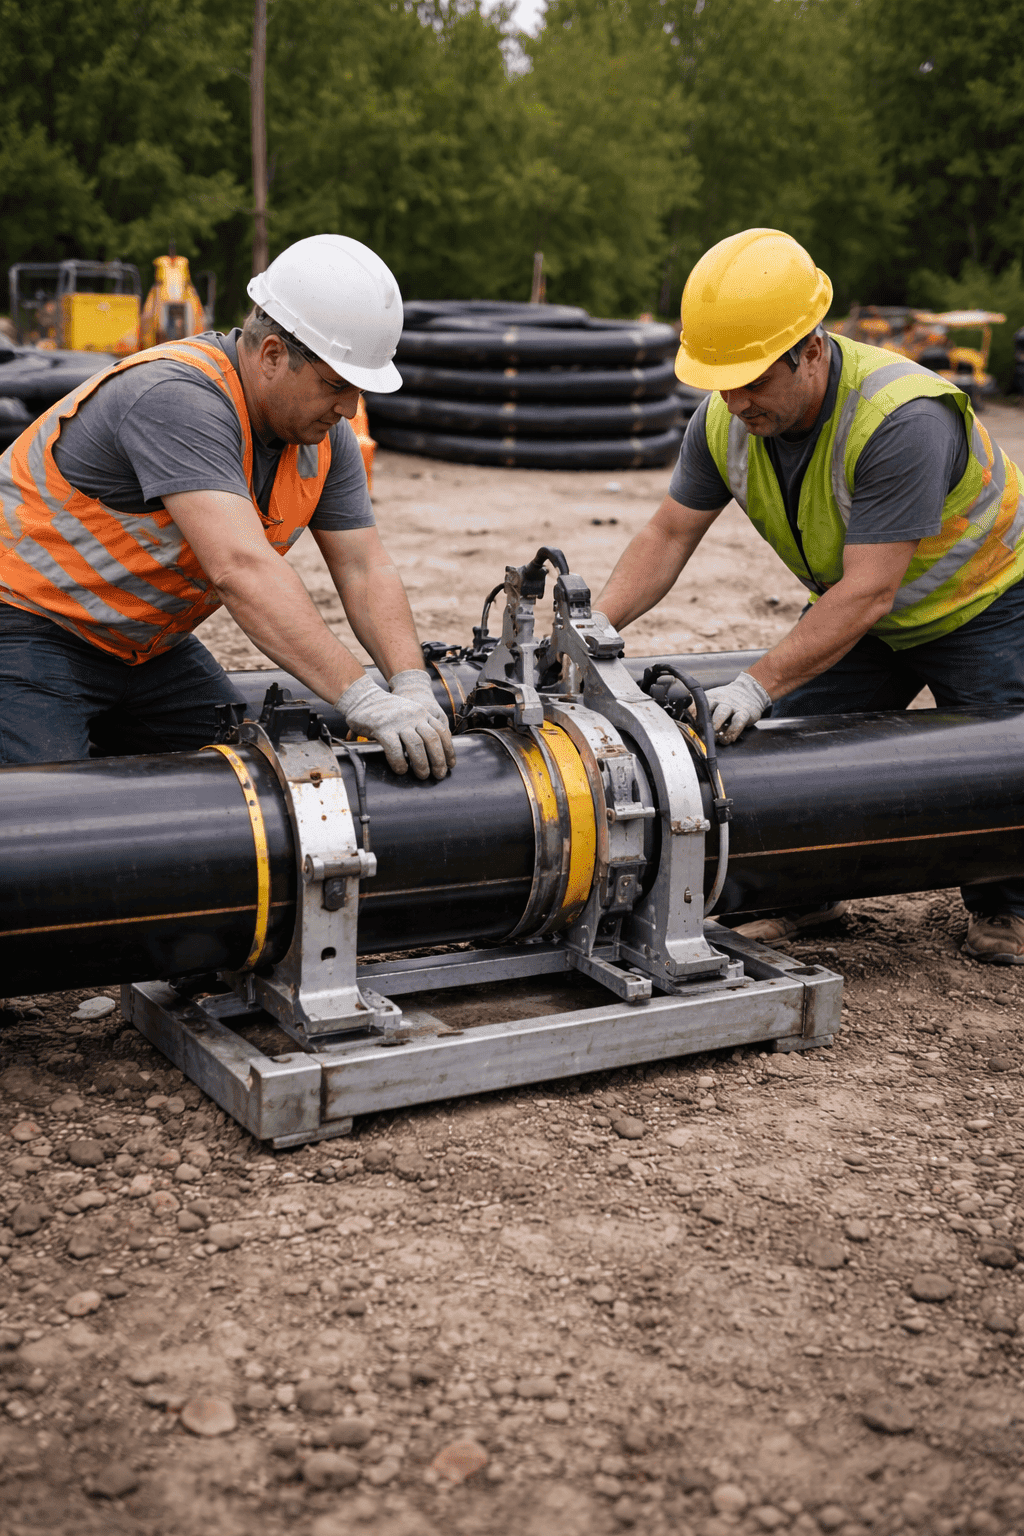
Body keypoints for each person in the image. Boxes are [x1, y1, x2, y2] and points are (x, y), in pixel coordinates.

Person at [598, 227, 1024, 964]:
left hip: (985, 603)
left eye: (756, 379)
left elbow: (870, 590)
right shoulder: (724, 422)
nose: (737, 400)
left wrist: (756, 683)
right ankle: (803, 892)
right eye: (724, 382)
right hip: (864, 607)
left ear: (813, 351)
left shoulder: (901, 419)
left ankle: (1008, 906)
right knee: (780, 754)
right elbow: (669, 534)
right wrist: (590, 630)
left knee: (1000, 754)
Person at [0, 234, 455, 782]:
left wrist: (408, 683)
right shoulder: (177, 396)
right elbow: (240, 568)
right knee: (50, 819)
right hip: (25, 625)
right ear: (272, 355)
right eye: (337, 385)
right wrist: (362, 699)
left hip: (142, 646)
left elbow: (364, 567)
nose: (350, 408)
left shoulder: (323, 439)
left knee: (250, 776)